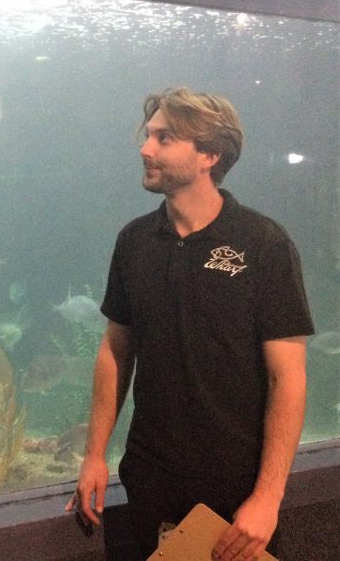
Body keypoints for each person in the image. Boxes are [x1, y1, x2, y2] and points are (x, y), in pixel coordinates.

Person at [66, 87, 313, 561]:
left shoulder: (263, 243)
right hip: (150, 480)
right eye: (148, 135)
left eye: (164, 138)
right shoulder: (134, 242)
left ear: (210, 154)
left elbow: (289, 377)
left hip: (236, 491)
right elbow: (116, 351)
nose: (145, 149)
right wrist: (95, 455)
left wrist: (267, 498)